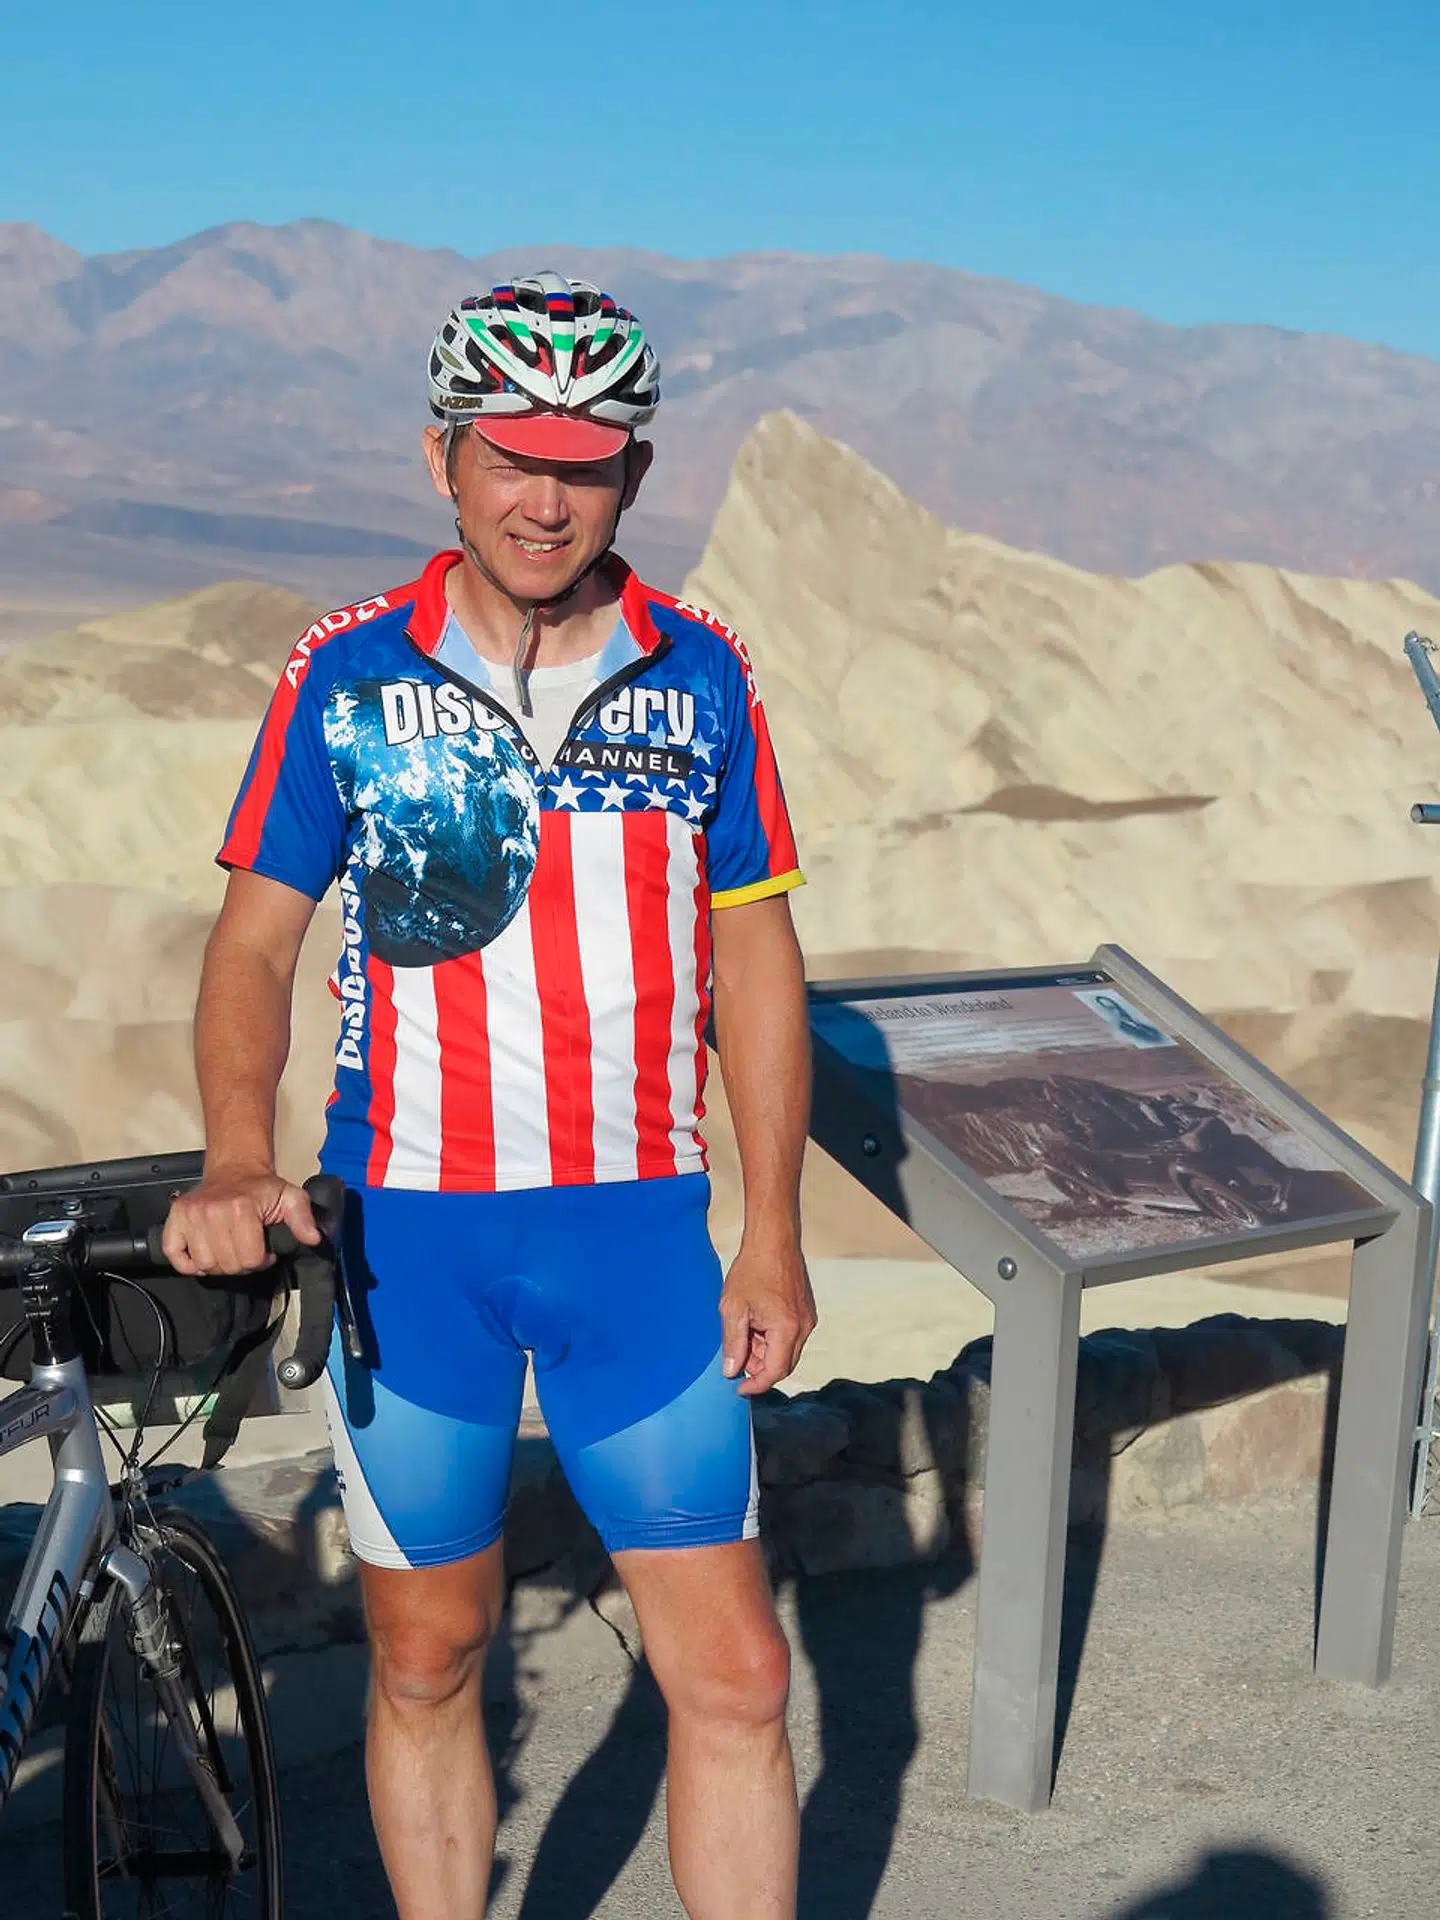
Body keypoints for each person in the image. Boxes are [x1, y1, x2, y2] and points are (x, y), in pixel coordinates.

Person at [163, 272, 817, 1920]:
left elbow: (758, 961)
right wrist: (241, 1152)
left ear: (638, 479)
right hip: (413, 1249)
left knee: (736, 1678)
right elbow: (253, 946)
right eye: (513, 455)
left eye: (585, 463)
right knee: (430, 1655)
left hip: (642, 1245)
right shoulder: (345, 679)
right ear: (444, 456)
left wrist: (778, 1229)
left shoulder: (705, 680)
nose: (546, 497)